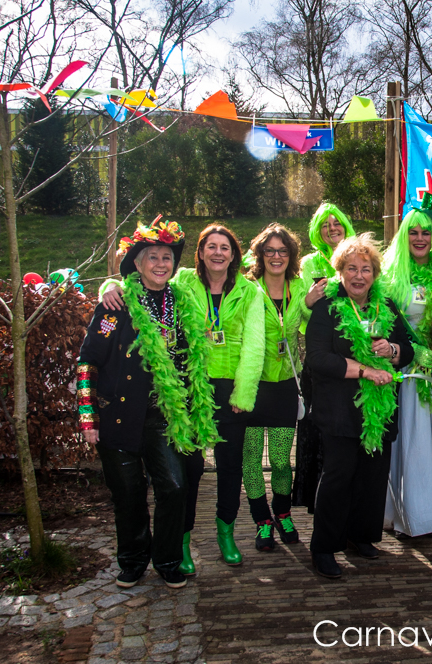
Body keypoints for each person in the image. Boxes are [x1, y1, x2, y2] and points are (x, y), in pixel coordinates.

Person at [99, 224, 265, 571]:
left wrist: (244, 392)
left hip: (231, 389)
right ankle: (182, 540)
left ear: (233, 255)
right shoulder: (183, 281)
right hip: (189, 387)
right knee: (189, 468)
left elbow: (255, 345)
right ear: (200, 252)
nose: (218, 253)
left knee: (230, 466)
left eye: (225, 247)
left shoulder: (249, 291)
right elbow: (144, 284)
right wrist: (109, 286)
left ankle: (226, 534)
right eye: (211, 246)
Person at [77, 218, 218, 589]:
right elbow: (87, 362)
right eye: (152, 257)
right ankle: (133, 560)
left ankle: (168, 559)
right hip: (118, 416)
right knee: (128, 495)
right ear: (137, 264)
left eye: (167, 257)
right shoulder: (116, 305)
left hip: (164, 417)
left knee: (174, 487)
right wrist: (88, 418)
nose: (161, 263)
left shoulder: (183, 303)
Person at [305, 233, 415, 579]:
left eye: (366, 269)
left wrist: (392, 350)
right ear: (340, 271)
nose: (358, 276)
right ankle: (324, 548)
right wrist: (365, 370)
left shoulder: (386, 306)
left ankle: (361, 535)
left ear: (375, 274)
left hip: (379, 409)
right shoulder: (327, 307)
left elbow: (408, 348)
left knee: (372, 476)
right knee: (338, 476)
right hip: (339, 408)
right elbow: (317, 358)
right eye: (351, 268)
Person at [381, 196, 432, 538]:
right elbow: (385, 326)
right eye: (413, 232)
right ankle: (409, 516)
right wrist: (412, 352)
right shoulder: (389, 278)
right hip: (405, 373)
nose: (419, 238)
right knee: (410, 440)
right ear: (404, 236)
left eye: (426, 232)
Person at [292, 202, 356, 513]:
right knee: (317, 430)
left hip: (356, 360)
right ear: (317, 231)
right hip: (320, 361)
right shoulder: (308, 264)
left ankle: (351, 498)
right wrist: (308, 301)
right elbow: (299, 313)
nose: (332, 229)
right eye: (325, 225)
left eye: (337, 223)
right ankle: (316, 498)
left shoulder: (358, 258)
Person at [244, 224, 304, 551]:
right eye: (270, 251)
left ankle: (282, 513)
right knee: (251, 460)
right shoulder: (246, 287)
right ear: (260, 254)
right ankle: (261, 520)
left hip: (284, 386)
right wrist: (112, 283)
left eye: (283, 251)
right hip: (251, 386)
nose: (276, 256)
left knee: (281, 460)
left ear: (291, 255)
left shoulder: (301, 286)